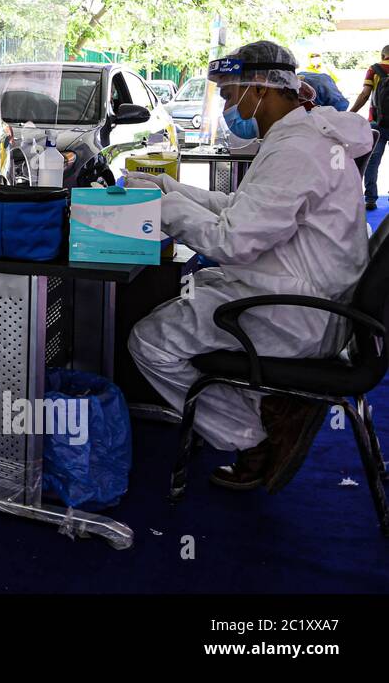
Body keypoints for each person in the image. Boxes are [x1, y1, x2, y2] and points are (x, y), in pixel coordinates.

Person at [126, 40, 373, 493]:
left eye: (228, 92)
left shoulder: (295, 152)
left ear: (260, 88)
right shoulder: (303, 137)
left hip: (299, 312)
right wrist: (172, 190)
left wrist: (160, 209)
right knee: (191, 298)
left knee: (151, 342)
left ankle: (256, 434)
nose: (226, 103)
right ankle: (266, 403)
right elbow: (242, 207)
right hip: (312, 296)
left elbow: (233, 239)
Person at [348, 45, 389, 210]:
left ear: (382, 55)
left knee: (373, 161)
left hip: (377, 122)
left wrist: (351, 113)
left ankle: (371, 198)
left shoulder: (374, 69)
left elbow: (365, 94)